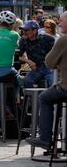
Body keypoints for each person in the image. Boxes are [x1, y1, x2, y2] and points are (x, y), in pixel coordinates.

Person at [28, 12, 67, 149]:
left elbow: (49, 63)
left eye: (61, 21)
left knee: (44, 97)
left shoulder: (63, 40)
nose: (59, 24)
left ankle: (45, 139)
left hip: (65, 88)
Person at [18, 20, 55, 88]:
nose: (24, 32)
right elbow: (17, 56)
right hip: (35, 68)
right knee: (27, 81)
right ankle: (31, 98)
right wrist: (28, 61)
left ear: (34, 31)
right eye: (23, 30)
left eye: (26, 30)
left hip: (48, 67)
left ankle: (49, 98)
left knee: (52, 82)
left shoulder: (47, 39)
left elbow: (55, 55)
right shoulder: (23, 40)